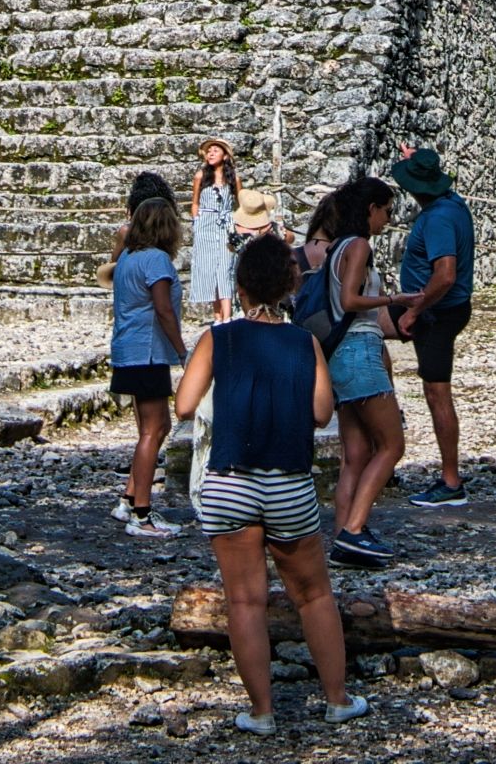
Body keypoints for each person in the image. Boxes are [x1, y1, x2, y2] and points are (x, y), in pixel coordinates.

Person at [175, 228, 368, 737]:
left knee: (244, 600)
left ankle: (261, 711)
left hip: (229, 480)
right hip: (287, 480)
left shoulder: (218, 339)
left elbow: (185, 404)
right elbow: (322, 412)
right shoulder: (304, 342)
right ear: (289, 286)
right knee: (313, 595)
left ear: (239, 287)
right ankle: (337, 699)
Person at [321, 175, 407, 567]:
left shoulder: (335, 247)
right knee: (392, 445)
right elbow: (351, 299)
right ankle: (355, 529)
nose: (388, 219)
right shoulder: (358, 246)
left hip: (341, 354)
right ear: (371, 209)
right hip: (360, 352)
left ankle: (343, 537)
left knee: (355, 453)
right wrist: (396, 297)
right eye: (386, 211)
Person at [387, 146, 475, 508]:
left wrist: (415, 311)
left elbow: (446, 275)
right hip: (433, 309)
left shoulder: (438, 218)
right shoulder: (451, 202)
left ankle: (451, 481)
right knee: (365, 331)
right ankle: (383, 437)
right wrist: (416, 160)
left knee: (437, 393)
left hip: (437, 313)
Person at [109, 193, 186, 537]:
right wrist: (183, 350)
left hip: (129, 349)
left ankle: (130, 497)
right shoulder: (156, 260)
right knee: (152, 431)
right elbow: (163, 309)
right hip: (148, 351)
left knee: (158, 427)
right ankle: (142, 513)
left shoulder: (127, 256)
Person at [192, 143, 239, 323]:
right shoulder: (201, 176)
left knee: (225, 267)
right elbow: (195, 203)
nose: (211, 154)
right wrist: (197, 222)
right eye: (209, 151)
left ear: (225, 156)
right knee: (209, 267)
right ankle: (217, 316)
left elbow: (239, 202)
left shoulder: (233, 177)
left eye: (215, 151)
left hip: (226, 223)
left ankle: (227, 316)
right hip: (206, 224)